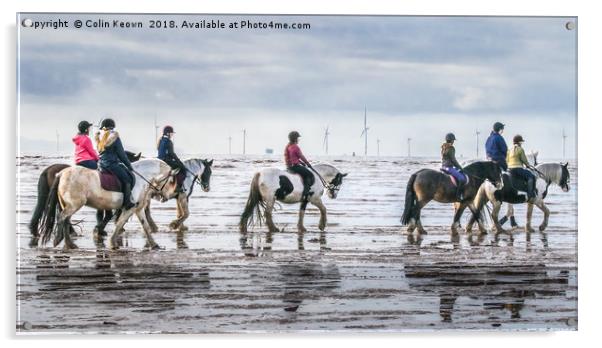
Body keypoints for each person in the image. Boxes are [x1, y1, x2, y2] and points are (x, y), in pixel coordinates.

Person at [95, 118, 135, 210]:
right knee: (127, 178)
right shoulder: (114, 137)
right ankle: (127, 202)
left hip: (100, 164)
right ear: (112, 127)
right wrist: (129, 166)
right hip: (111, 164)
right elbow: (122, 155)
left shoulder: (99, 137)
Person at [284, 131, 314, 202]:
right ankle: (306, 193)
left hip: (289, 166)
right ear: (295, 138)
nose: (298, 139)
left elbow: (294, 157)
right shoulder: (295, 147)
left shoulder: (288, 146)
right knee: (309, 174)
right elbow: (301, 156)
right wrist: (307, 163)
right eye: (297, 138)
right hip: (294, 167)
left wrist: (301, 163)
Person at [157, 125, 186, 192]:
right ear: (168, 133)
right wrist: (179, 162)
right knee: (183, 169)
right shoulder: (168, 141)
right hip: (166, 161)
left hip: (160, 159)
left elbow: (163, 152)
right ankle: (177, 187)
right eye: (171, 133)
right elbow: (172, 154)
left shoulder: (161, 140)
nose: (172, 134)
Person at [507, 134, 537, 199]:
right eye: (521, 142)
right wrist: (528, 165)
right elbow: (524, 160)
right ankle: (530, 194)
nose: (522, 143)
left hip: (510, 169)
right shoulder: (520, 149)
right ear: (519, 142)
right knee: (531, 177)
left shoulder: (509, 150)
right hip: (518, 168)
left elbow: (506, 160)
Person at [440, 133, 466, 201]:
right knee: (462, 178)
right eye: (453, 140)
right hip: (449, 167)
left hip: (443, 167)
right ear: (451, 140)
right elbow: (453, 160)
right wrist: (460, 168)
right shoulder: (451, 148)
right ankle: (457, 196)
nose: (453, 141)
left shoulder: (443, 146)